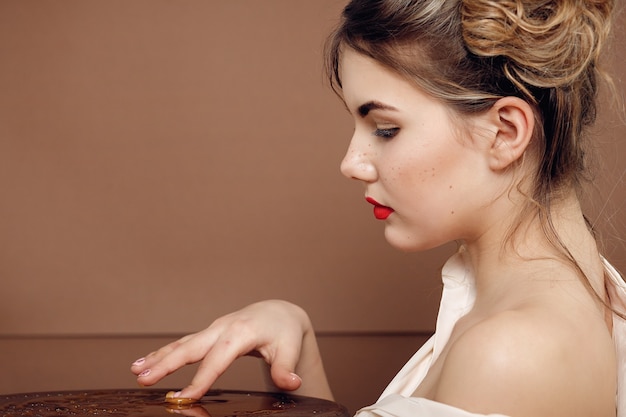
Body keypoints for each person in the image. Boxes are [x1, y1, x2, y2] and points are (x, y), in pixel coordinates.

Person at [131, 0, 626, 416]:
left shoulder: (510, 353)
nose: (351, 163)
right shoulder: (575, 298)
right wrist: (297, 338)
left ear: (505, 132)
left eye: (385, 129)